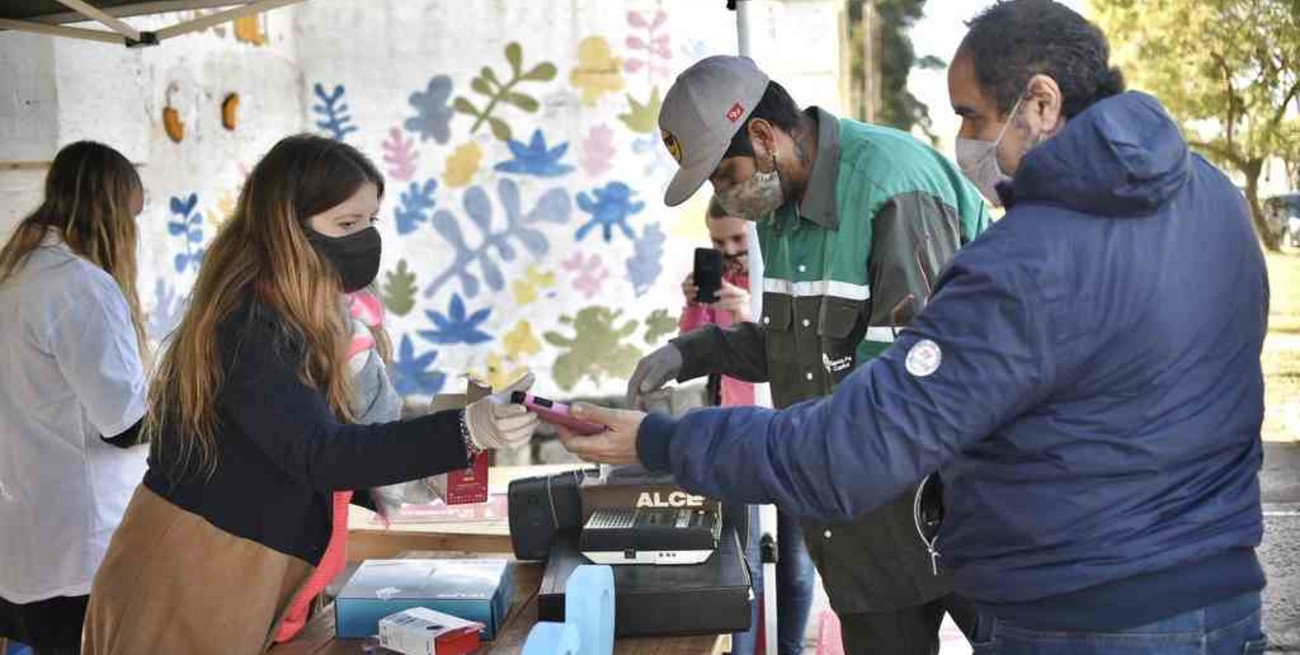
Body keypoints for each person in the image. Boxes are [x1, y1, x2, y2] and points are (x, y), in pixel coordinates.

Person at [560, 2, 1271, 654]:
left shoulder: (1024, 257)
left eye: (971, 116)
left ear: (1042, 103)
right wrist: (698, 349)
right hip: (1221, 599)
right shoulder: (1215, 199)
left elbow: (858, 443)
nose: (963, 141)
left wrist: (658, 440)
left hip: (1078, 613)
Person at [81, 134, 539, 655]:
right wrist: (463, 431)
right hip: (192, 572)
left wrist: (432, 459)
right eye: (347, 224)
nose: (365, 238)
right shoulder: (247, 323)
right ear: (287, 227)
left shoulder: (320, 319)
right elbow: (318, 454)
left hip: (255, 567)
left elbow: (316, 445)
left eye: (371, 221)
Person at [625, 55, 989, 654]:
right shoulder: (780, 212)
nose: (726, 197)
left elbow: (915, 386)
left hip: (957, 511)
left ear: (764, 137)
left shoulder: (893, 188)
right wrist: (693, 352)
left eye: (725, 175)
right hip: (861, 529)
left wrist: (739, 446)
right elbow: (794, 349)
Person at [0, 142, 150, 655]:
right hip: (83, 537)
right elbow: (126, 425)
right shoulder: (79, 285)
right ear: (111, 212)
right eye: (132, 218)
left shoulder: (16, 273)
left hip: (29, 529)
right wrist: (196, 404)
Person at [677, 197, 815, 655]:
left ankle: (789, 648)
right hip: (737, 431)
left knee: (797, 564)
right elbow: (690, 348)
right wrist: (695, 305)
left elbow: (793, 349)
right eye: (718, 243)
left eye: (738, 239)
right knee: (743, 559)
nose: (730, 251)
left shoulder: (785, 275)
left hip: (792, 426)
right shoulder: (717, 286)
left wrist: (747, 315)